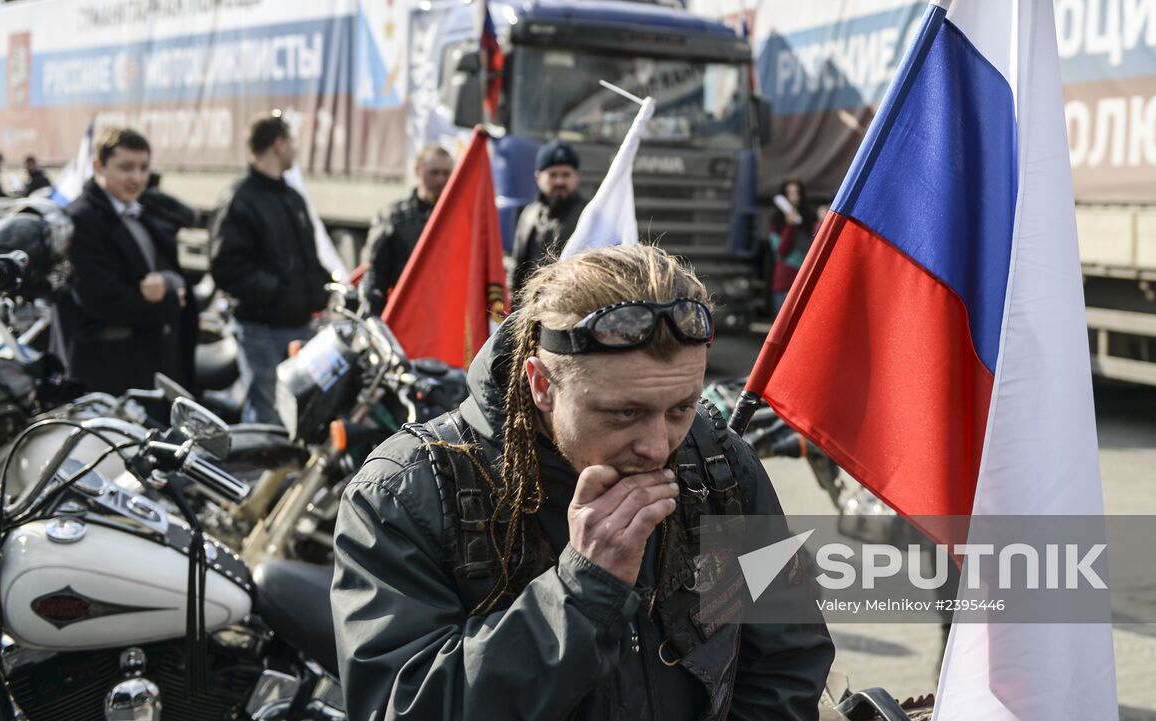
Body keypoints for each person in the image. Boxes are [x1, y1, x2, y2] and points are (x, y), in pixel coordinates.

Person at [332, 243, 834, 721]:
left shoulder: (716, 460)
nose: (657, 446)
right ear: (541, 384)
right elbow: (401, 706)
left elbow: (785, 662)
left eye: (680, 407)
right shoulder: (406, 492)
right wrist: (582, 591)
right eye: (623, 413)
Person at [210, 112, 329, 424]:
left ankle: (287, 474)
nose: (295, 150)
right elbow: (226, 267)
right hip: (261, 331)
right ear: (278, 145)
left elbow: (308, 258)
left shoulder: (292, 198)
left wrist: (323, 291)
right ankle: (259, 473)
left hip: (299, 326)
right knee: (267, 416)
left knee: (298, 415)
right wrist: (278, 291)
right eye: (292, 142)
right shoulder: (240, 198)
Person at [61, 128, 196, 395]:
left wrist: (168, 284)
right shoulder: (81, 219)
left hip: (147, 366)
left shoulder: (140, 212)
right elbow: (101, 300)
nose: (136, 177)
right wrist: (169, 301)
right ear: (99, 166)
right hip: (109, 374)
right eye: (126, 168)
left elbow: (166, 267)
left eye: (143, 168)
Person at [360, 144, 453, 313]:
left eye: (446, 173)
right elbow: (375, 277)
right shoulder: (393, 218)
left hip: (447, 315)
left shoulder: (459, 218)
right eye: (434, 172)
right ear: (418, 170)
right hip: (407, 317)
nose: (441, 180)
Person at [510, 138, 587, 299]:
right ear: (538, 177)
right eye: (553, 175)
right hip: (531, 308)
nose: (559, 181)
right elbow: (517, 270)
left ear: (577, 176)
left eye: (566, 174)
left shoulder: (588, 216)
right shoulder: (528, 215)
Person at [769, 179, 820, 314]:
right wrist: (790, 226)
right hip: (784, 283)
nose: (794, 198)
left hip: (805, 281)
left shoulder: (809, 220)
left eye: (797, 193)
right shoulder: (777, 222)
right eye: (790, 194)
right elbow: (781, 251)